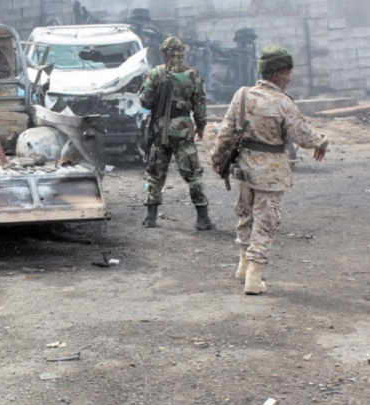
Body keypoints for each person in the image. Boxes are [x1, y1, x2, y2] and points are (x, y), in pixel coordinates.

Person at [210, 45, 329, 295]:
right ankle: (254, 275)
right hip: (271, 174)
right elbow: (302, 135)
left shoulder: (242, 95)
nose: (290, 77)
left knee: (245, 215)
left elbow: (226, 132)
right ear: (276, 74)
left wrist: (217, 157)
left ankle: (242, 265)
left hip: (244, 169)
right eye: (287, 72)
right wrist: (321, 141)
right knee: (266, 222)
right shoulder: (283, 103)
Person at [139, 36, 215, 230]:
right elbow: (200, 105)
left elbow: (145, 102)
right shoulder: (193, 75)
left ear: (165, 53)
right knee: (193, 173)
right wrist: (201, 126)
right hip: (182, 131)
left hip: (159, 130)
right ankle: (203, 219)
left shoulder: (156, 73)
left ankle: (151, 217)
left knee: (155, 173)